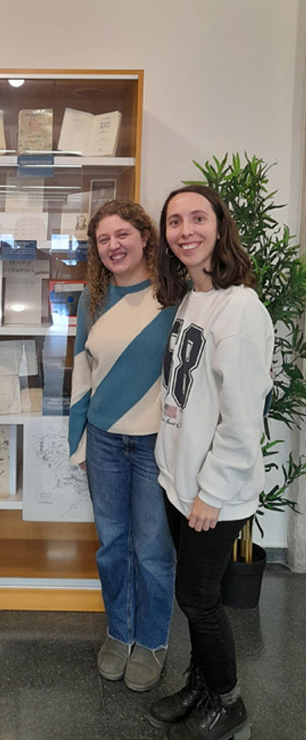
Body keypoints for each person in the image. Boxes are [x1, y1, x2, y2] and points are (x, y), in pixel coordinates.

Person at [149, 186, 273, 740]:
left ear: (220, 227)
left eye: (197, 218)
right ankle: (200, 685)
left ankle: (229, 701)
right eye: (175, 222)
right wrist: (176, 473)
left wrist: (212, 491)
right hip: (181, 479)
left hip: (211, 491)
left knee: (199, 600)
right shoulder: (190, 299)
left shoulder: (241, 307)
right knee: (192, 596)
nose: (185, 231)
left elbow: (244, 418)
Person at [68, 199, 177, 692]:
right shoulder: (92, 300)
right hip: (106, 443)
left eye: (122, 235)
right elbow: (80, 375)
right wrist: (79, 443)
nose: (113, 246)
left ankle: (152, 640)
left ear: (145, 236)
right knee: (112, 546)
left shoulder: (174, 296)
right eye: (103, 239)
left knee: (152, 549)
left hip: (157, 443)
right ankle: (120, 632)